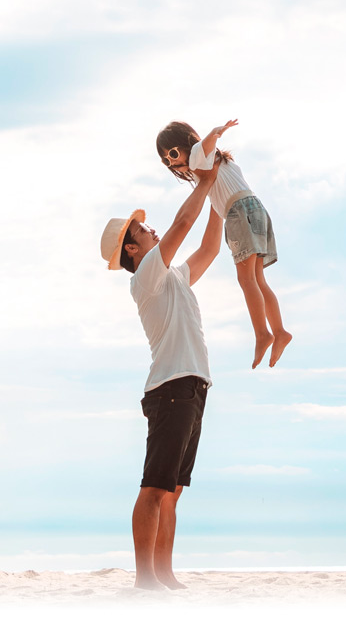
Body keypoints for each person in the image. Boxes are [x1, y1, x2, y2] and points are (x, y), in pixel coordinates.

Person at [100, 162, 222, 590]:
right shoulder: (148, 275)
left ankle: (164, 575)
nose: (150, 230)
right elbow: (183, 222)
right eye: (142, 231)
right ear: (132, 251)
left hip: (191, 387)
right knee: (155, 488)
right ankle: (144, 579)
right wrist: (205, 182)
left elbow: (208, 248)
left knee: (172, 492)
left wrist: (219, 196)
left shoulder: (174, 277)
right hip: (170, 389)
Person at [156, 119, 291, 369]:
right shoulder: (220, 162)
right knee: (258, 279)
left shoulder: (199, 157)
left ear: (186, 143)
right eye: (166, 160)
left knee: (246, 279)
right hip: (256, 209)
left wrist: (214, 133)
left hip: (238, 213)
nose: (172, 161)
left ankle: (263, 334)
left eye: (173, 153)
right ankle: (279, 331)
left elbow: (200, 148)